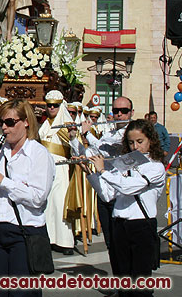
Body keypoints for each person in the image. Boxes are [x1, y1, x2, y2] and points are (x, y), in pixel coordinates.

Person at [0, 99, 55, 297]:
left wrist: (3, 181)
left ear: (26, 121)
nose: (4, 127)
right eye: (1, 122)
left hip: (25, 232)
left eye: (10, 122)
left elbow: (38, 198)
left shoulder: (39, 154)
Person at [85, 119, 166, 294]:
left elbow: (128, 187)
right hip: (120, 224)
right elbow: (108, 195)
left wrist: (104, 171)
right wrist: (92, 175)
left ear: (150, 140)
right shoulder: (125, 163)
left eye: (140, 141)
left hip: (142, 226)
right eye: (130, 143)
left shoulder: (155, 167)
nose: (135, 147)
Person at [77, 96, 134, 252]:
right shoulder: (109, 132)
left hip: (121, 193)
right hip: (104, 189)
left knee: (121, 244)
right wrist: (75, 139)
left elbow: (110, 145)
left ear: (131, 113)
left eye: (124, 111)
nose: (119, 115)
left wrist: (88, 134)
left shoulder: (131, 133)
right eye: (116, 111)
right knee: (110, 243)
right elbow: (93, 152)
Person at [38, 90, 75, 255]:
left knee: (60, 204)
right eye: (49, 105)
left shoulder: (66, 122)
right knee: (47, 204)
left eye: (55, 105)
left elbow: (75, 143)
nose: (51, 108)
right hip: (45, 168)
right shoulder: (45, 123)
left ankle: (65, 242)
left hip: (60, 167)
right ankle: (49, 238)